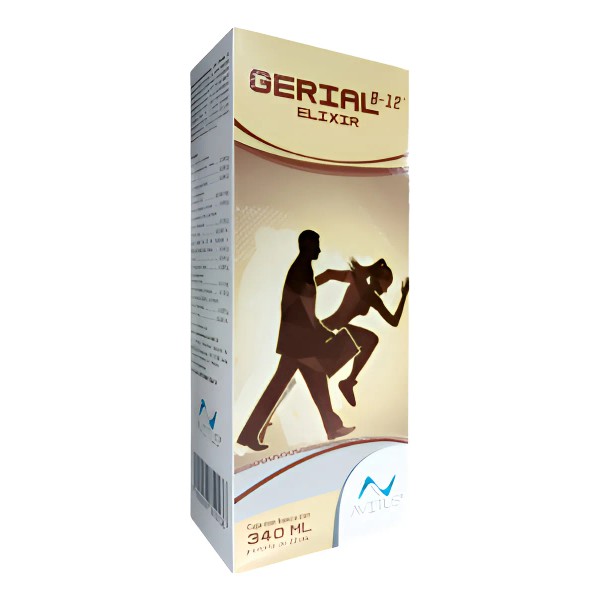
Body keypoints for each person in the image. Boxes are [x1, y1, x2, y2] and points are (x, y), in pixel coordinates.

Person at [237, 230, 355, 452]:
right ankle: (332, 427)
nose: (319, 249)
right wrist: (322, 333)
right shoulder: (301, 270)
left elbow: (304, 309)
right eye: (316, 245)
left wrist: (319, 331)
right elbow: (304, 309)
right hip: (299, 342)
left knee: (305, 382)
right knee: (310, 380)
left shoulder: (302, 268)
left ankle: (331, 427)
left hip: (297, 340)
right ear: (307, 245)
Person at [315, 258, 409, 407]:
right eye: (387, 284)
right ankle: (348, 382)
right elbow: (329, 274)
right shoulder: (362, 285)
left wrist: (404, 295)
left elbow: (394, 321)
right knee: (371, 340)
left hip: (337, 329)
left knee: (371, 340)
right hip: (326, 329)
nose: (386, 290)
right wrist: (305, 294)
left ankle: (348, 382)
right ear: (378, 279)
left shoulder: (371, 295)